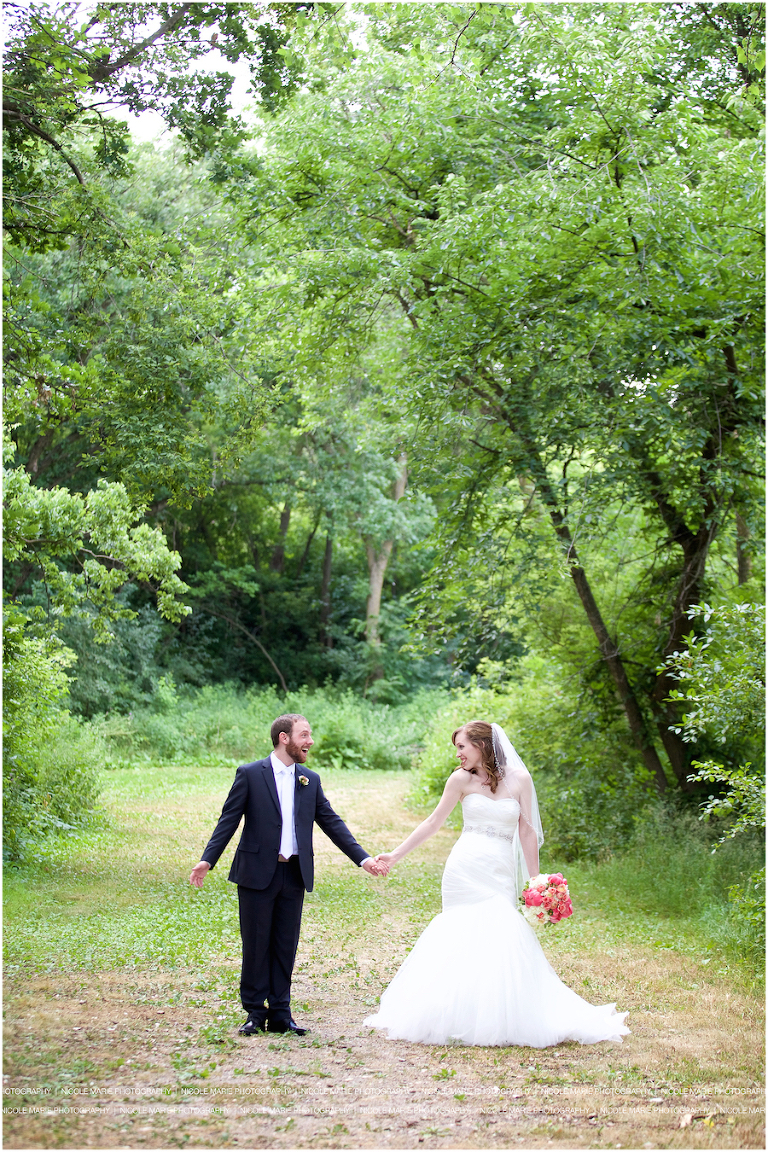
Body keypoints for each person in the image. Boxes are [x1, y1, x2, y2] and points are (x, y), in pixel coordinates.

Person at [364, 720, 630, 1047]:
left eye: (462, 746)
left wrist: (536, 881)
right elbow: (434, 821)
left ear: (482, 745)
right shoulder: (460, 780)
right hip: (464, 868)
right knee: (460, 934)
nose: (458, 754)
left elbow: (527, 831)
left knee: (502, 931)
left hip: (499, 870)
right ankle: (458, 1014)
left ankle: (503, 1014)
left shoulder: (520, 780)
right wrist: (394, 855)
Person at [190, 713, 387, 1036]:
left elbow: (332, 822)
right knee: (256, 944)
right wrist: (207, 860)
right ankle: (255, 1012)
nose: (310, 741)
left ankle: (281, 1012)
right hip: (255, 873)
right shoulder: (251, 774)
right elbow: (229, 819)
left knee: (285, 944)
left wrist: (363, 859)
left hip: (294, 873)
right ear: (284, 738)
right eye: (304, 735)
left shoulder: (309, 779)